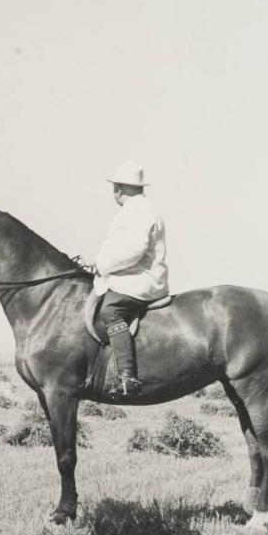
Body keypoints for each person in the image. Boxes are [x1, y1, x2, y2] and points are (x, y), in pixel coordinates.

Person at [92, 161, 168, 397]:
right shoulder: (136, 208)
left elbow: (134, 250)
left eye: (115, 186)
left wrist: (102, 265)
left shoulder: (138, 210)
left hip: (141, 280)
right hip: (131, 276)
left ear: (119, 188)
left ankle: (127, 377)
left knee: (110, 310)